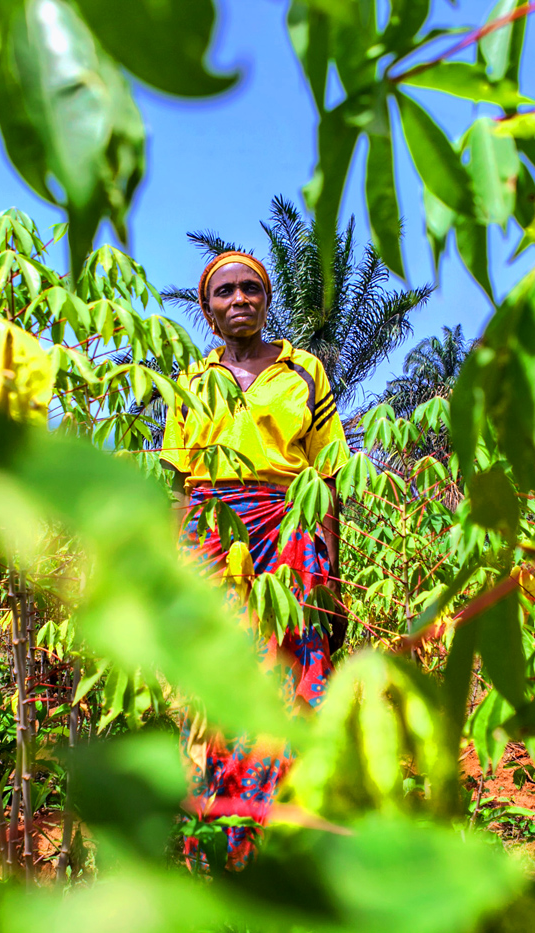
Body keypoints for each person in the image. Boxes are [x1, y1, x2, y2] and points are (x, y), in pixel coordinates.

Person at [160, 250, 349, 870]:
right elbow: (182, 485)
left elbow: (326, 480)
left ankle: (279, 849)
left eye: (250, 289)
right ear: (208, 311)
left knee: (291, 682)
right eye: (224, 293)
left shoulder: (305, 372)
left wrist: (331, 574)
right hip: (211, 534)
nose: (239, 299)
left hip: (291, 532)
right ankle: (213, 847)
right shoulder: (190, 384)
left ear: (266, 300)